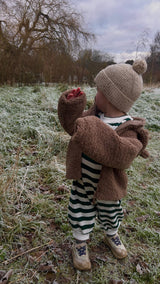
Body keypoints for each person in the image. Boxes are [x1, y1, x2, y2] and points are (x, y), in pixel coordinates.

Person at [58, 59, 149, 271]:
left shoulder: (128, 127)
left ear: (110, 96)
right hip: (83, 179)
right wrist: (71, 105)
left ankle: (111, 235)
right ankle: (80, 242)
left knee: (111, 212)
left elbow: (122, 154)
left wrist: (93, 128)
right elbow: (74, 127)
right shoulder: (92, 115)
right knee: (80, 209)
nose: (95, 93)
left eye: (99, 89)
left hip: (109, 186)